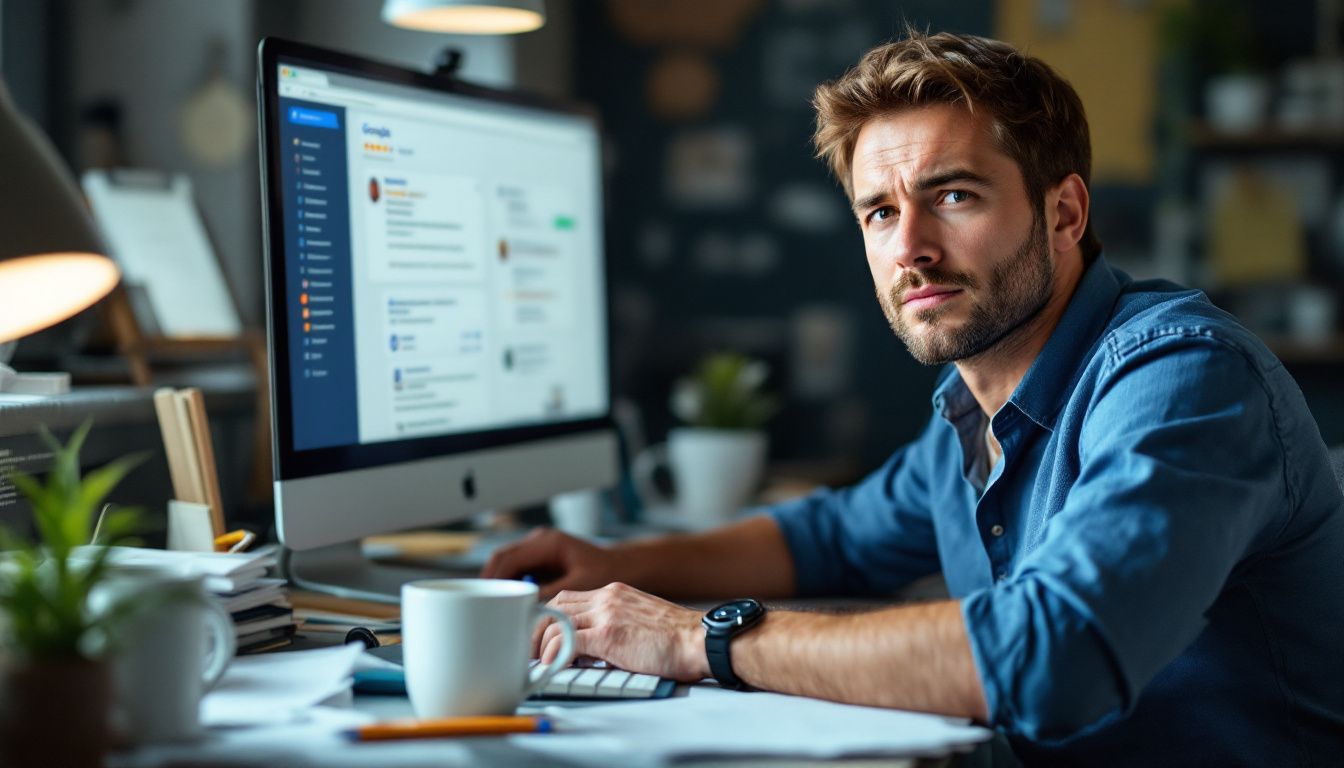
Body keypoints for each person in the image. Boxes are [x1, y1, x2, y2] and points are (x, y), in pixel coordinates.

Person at [482, 30, 1344, 765]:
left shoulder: (1183, 377)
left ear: (1064, 214)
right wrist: (615, 570)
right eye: (880, 213)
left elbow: (1057, 652)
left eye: (953, 196)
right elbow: (833, 537)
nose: (911, 249)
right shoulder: (972, 403)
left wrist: (691, 638)